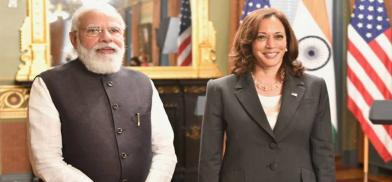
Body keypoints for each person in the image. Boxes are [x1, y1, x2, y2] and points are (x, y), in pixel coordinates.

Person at [27, 3, 177, 182]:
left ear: (123, 36)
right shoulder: (48, 84)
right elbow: (45, 160)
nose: (106, 38)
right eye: (93, 30)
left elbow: (164, 151)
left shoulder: (143, 83)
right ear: (74, 39)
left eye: (114, 30)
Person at [198, 8, 335, 182]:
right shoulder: (220, 89)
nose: (271, 44)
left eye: (278, 36)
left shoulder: (315, 87)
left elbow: (323, 153)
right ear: (249, 43)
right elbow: (210, 158)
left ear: (287, 42)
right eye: (261, 37)